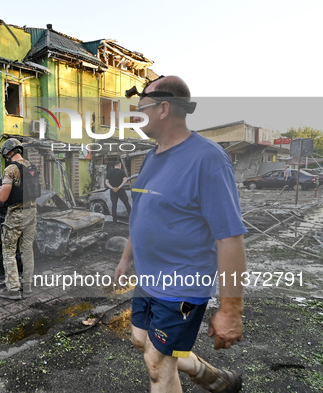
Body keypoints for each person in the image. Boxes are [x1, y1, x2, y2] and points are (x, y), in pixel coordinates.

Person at [114, 76, 247, 393]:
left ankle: (198, 374)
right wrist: (124, 261)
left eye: (140, 107)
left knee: (158, 363)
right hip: (149, 280)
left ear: (163, 108)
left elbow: (229, 238)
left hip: (182, 283)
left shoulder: (208, 159)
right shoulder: (151, 156)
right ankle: (210, 376)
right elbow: (141, 215)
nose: (134, 114)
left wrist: (230, 311)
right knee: (140, 340)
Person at [0, 138, 37, 300]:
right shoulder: (31, 166)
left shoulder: (11, 169)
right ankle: (27, 285)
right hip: (32, 212)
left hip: (17, 214)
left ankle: (13, 289)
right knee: (27, 249)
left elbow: (3, 197)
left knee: (9, 251)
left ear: (9, 153)